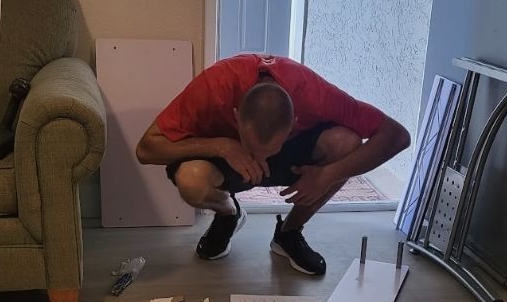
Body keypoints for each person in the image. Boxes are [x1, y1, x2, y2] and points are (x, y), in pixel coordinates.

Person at [136, 54, 410, 276]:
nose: (261, 161)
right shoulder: (214, 86)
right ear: (235, 115)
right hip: (225, 158)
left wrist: (329, 174)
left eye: (269, 150)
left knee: (346, 143)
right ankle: (228, 214)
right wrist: (221, 145)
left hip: (292, 158)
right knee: (191, 179)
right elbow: (146, 148)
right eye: (253, 148)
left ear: (294, 122)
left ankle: (288, 235)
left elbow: (397, 136)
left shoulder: (313, 92)